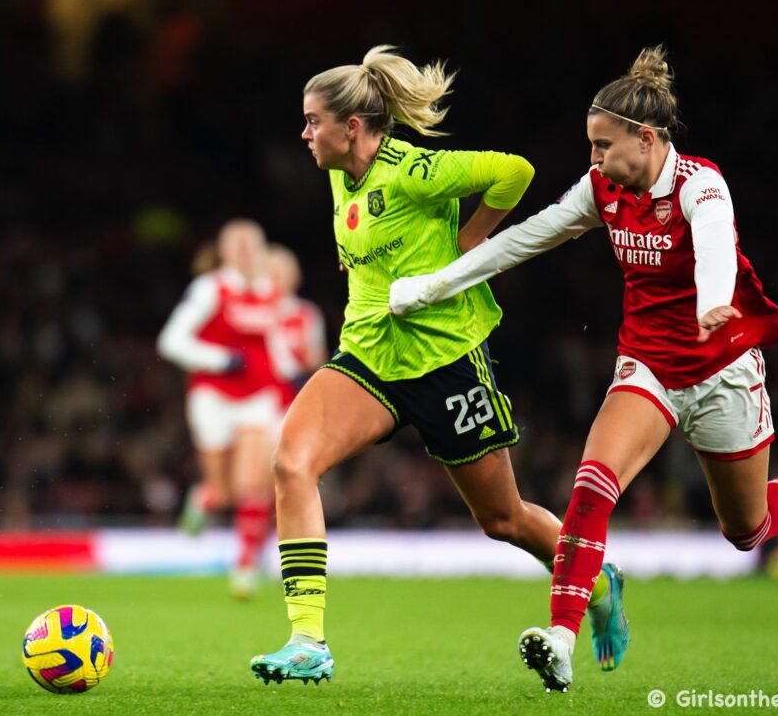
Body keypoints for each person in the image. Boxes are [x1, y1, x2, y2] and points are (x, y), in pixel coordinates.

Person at [388, 45, 778, 693]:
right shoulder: (603, 190)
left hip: (723, 371)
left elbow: (715, 238)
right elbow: (525, 237)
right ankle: (562, 636)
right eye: (591, 146)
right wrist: (433, 286)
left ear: (647, 138)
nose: (594, 160)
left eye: (603, 146)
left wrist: (715, 299)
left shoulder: (701, 183)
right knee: (593, 481)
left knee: (746, 530)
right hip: (649, 366)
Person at [249, 45, 630, 686]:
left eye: (313, 121)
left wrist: (473, 237)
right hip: (368, 358)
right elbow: (366, 234)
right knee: (292, 460)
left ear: (352, 127)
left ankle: (596, 582)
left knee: (503, 519)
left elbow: (516, 170)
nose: (304, 133)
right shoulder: (341, 172)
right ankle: (307, 640)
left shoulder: (415, 172)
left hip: (446, 361)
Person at [157, 218, 287, 598]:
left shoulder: (270, 292)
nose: (246, 250)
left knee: (254, 483)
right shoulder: (209, 289)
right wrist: (220, 360)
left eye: (253, 243)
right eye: (238, 243)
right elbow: (171, 341)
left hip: (259, 399)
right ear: (225, 251)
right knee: (224, 491)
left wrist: (293, 378)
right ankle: (204, 498)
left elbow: (277, 347)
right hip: (212, 399)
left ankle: (245, 565)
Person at [266, 243, 328, 403]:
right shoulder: (252, 309)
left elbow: (316, 359)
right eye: (271, 271)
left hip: (294, 389)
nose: (275, 276)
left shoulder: (307, 312)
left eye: (281, 271)